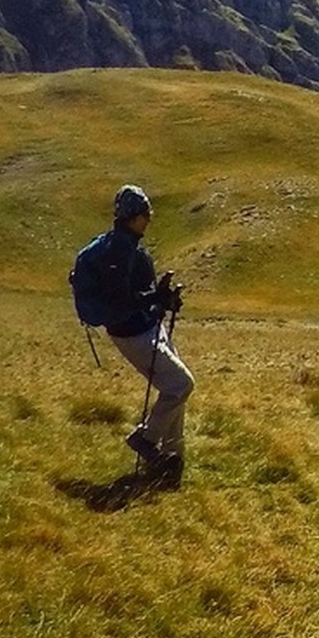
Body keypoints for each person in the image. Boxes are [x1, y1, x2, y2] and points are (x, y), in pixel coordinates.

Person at [88, 186, 195, 486]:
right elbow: (122, 300)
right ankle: (146, 439)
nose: (149, 220)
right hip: (135, 334)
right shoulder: (119, 253)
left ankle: (171, 465)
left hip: (144, 328)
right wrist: (155, 299)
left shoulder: (126, 247)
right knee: (180, 385)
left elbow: (138, 296)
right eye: (146, 214)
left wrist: (162, 300)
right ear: (134, 217)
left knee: (175, 391)